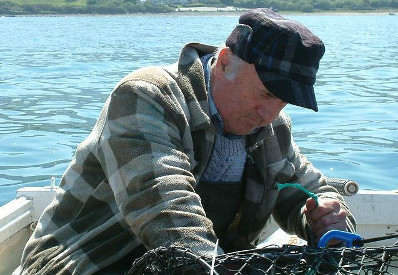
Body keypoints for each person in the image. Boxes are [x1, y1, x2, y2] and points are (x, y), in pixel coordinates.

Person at [19, 8, 356, 274]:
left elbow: (312, 190)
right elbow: (167, 212)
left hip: (204, 265)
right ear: (224, 63)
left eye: (283, 101)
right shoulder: (146, 96)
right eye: (265, 93)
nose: (269, 112)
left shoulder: (271, 128)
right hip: (87, 264)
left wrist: (326, 219)